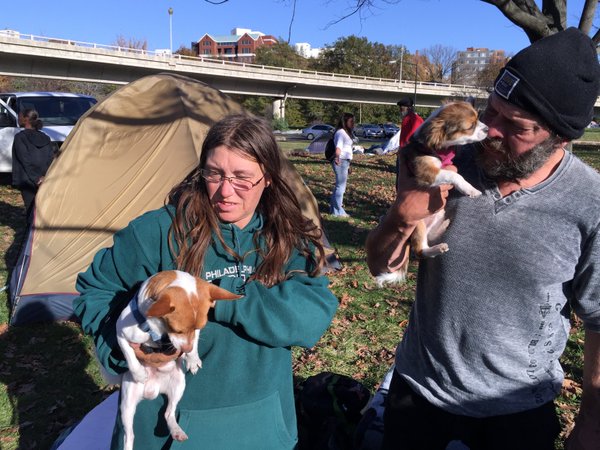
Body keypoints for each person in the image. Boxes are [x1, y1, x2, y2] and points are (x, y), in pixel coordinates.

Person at [366, 28, 600, 450]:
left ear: (560, 138)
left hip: (518, 412)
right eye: (492, 110)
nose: (490, 130)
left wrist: (592, 424)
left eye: (516, 126)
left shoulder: (590, 203)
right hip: (418, 395)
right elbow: (381, 267)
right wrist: (401, 218)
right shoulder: (446, 162)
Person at [74, 114, 339, 449]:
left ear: (268, 177)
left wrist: (218, 299)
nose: (225, 192)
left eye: (243, 178)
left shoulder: (288, 238)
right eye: (214, 174)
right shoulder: (157, 232)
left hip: (260, 431)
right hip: (162, 431)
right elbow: (95, 291)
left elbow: (311, 317)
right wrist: (123, 349)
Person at [11, 108, 55, 223]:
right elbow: (51, 159)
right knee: (43, 210)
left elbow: (25, 160)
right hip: (44, 179)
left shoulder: (20, 137)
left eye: (20, 115)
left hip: (28, 180)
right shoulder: (45, 137)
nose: (18, 118)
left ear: (26, 119)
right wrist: (45, 177)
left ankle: (31, 238)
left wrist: (36, 179)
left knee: (31, 211)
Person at [329, 112, 355, 217]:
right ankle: (338, 211)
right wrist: (337, 158)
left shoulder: (346, 132)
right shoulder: (341, 133)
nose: (353, 123)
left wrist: (349, 165)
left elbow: (347, 149)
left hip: (345, 161)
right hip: (341, 161)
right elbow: (338, 148)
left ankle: (333, 209)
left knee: (339, 186)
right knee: (341, 187)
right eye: (351, 121)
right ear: (345, 122)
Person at [395, 97, 424, 188]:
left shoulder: (415, 119)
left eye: (402, 108)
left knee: (406, 179)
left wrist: (405, 149)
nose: (400, 110)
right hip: (403, 152)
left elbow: (413, 137)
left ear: (409, 108)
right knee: (400, 178)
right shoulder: (406, 118)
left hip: (410, 154)